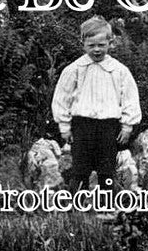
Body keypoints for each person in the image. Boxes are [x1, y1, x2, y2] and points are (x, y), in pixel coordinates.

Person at [50, 15, 142, 209]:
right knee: (80, 167)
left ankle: (106, 205)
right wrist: (64, 126)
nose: (97, 49)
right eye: (91, 45)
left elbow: (130, 99)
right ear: (82, 43)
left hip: (109, 126)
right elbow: (62, 98)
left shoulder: (119, 71)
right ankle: (77, 206)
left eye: (101, 44)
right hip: (82, 125)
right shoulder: (74, 69)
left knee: (106, 168)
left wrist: (127, 126)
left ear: (111, 42)